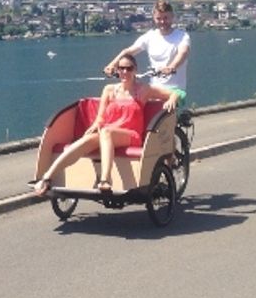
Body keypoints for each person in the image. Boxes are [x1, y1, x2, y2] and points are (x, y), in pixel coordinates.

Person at [33, 53, 183, 195]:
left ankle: (105, 179)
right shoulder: (109, 90)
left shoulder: (144, 90)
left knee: (106, 132)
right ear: (117, 70)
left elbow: (176, 93)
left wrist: (171, 99)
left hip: (131, 135)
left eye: (129, 68)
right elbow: (100, 117)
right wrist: (94, 126)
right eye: (121, 68)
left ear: (135, 70)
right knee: (84, 141)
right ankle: (47, 177)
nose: (125, 72)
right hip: (108, 134)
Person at [104, 0, 191, 94]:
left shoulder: (182, 36)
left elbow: (183, 53)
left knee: (167, 107)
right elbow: (128, 52)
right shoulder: (149, 36)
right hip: (154, 89)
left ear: (172, 17)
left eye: (165, 18)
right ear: (154, 18)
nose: (162, 22)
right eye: (159, 18)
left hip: (175, 90)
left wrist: (171, 68)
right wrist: (112, 64)